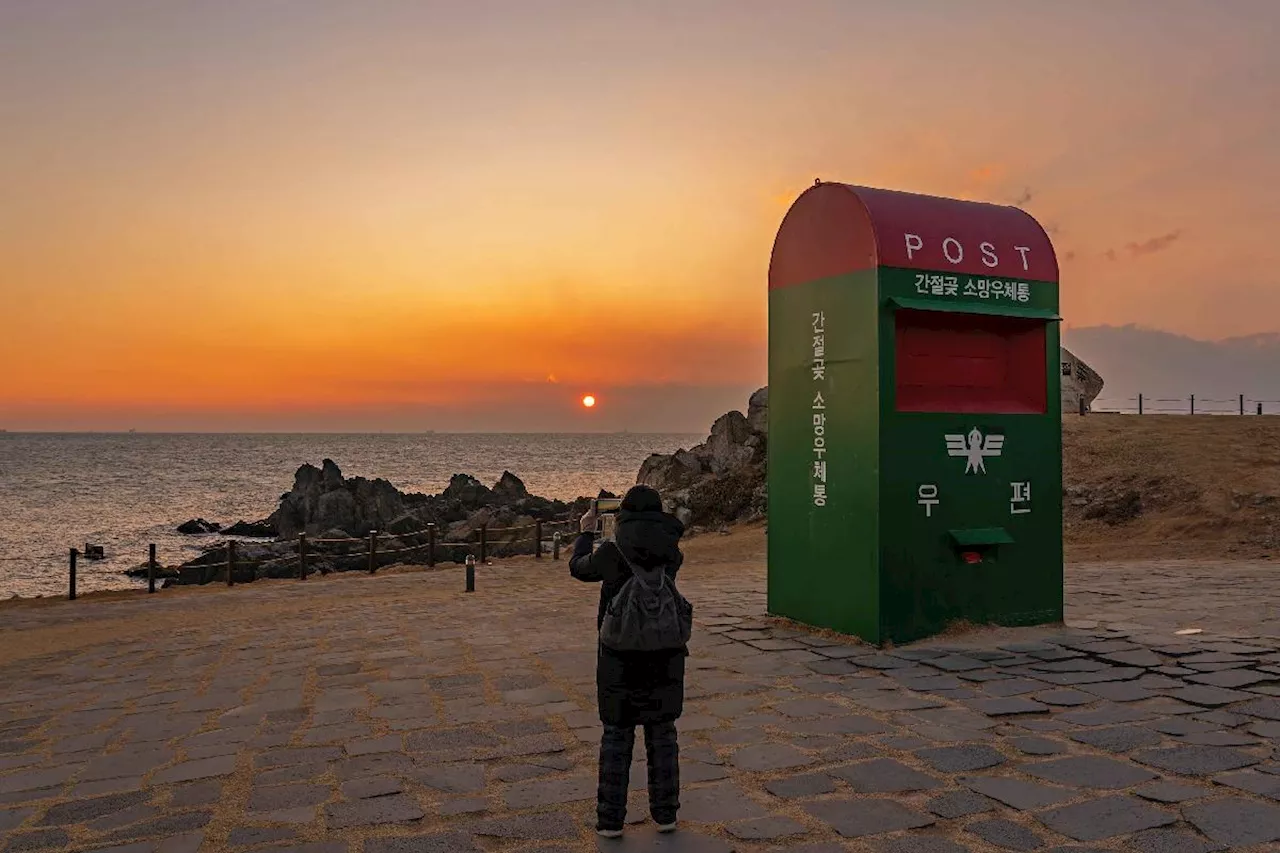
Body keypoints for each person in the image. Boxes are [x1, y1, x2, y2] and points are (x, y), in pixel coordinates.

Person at [570, 484, 686, 838]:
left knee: (616, 736)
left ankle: (610, 821)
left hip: (618, 654)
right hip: (665, 652)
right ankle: (666, 815)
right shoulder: (672, 551)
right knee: (662, 733)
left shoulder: (612, 551)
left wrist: (586, 532)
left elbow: (578, 569)